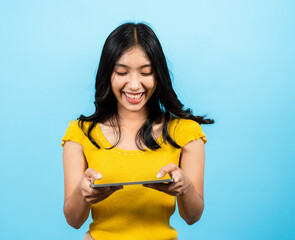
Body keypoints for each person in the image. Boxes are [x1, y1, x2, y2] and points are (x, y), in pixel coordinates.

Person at [61, 22, 214, 240]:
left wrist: (185, 186)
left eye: (146, 72)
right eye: (122, 72)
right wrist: (82, 192)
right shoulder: (81, 133)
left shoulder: (185, 132)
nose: (134, 85)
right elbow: (73, 220)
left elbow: (192, 216)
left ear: (158, 74)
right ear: (107, 74)